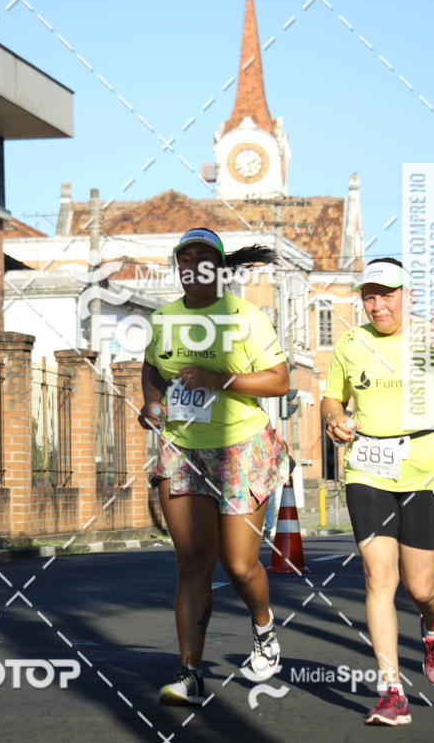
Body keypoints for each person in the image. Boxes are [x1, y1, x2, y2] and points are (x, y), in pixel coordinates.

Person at [139, 227, 290, 705]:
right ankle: (189, 672)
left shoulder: (246, 317)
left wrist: (219, 378)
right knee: (192, 562)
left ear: (220, 269)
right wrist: (152, 402)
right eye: (185, 258)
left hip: (240, 447)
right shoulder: (164, 319)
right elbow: (152, 367)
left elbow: (279, 381)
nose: (193, 266)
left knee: (240, 565)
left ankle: (263, 626)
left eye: (203, 258)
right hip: (183, 449)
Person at [321, 257, 434, 727]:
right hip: (368, 468)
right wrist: (333, 418)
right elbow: (332, 396)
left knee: (421, 587)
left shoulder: (433, 337)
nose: (377, 305)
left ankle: (433, 626)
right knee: (377, 575)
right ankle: (391, 690)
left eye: (386, 295)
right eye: (369, 296)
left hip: (424, 470)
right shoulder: (351, 342)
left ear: (407, 295)